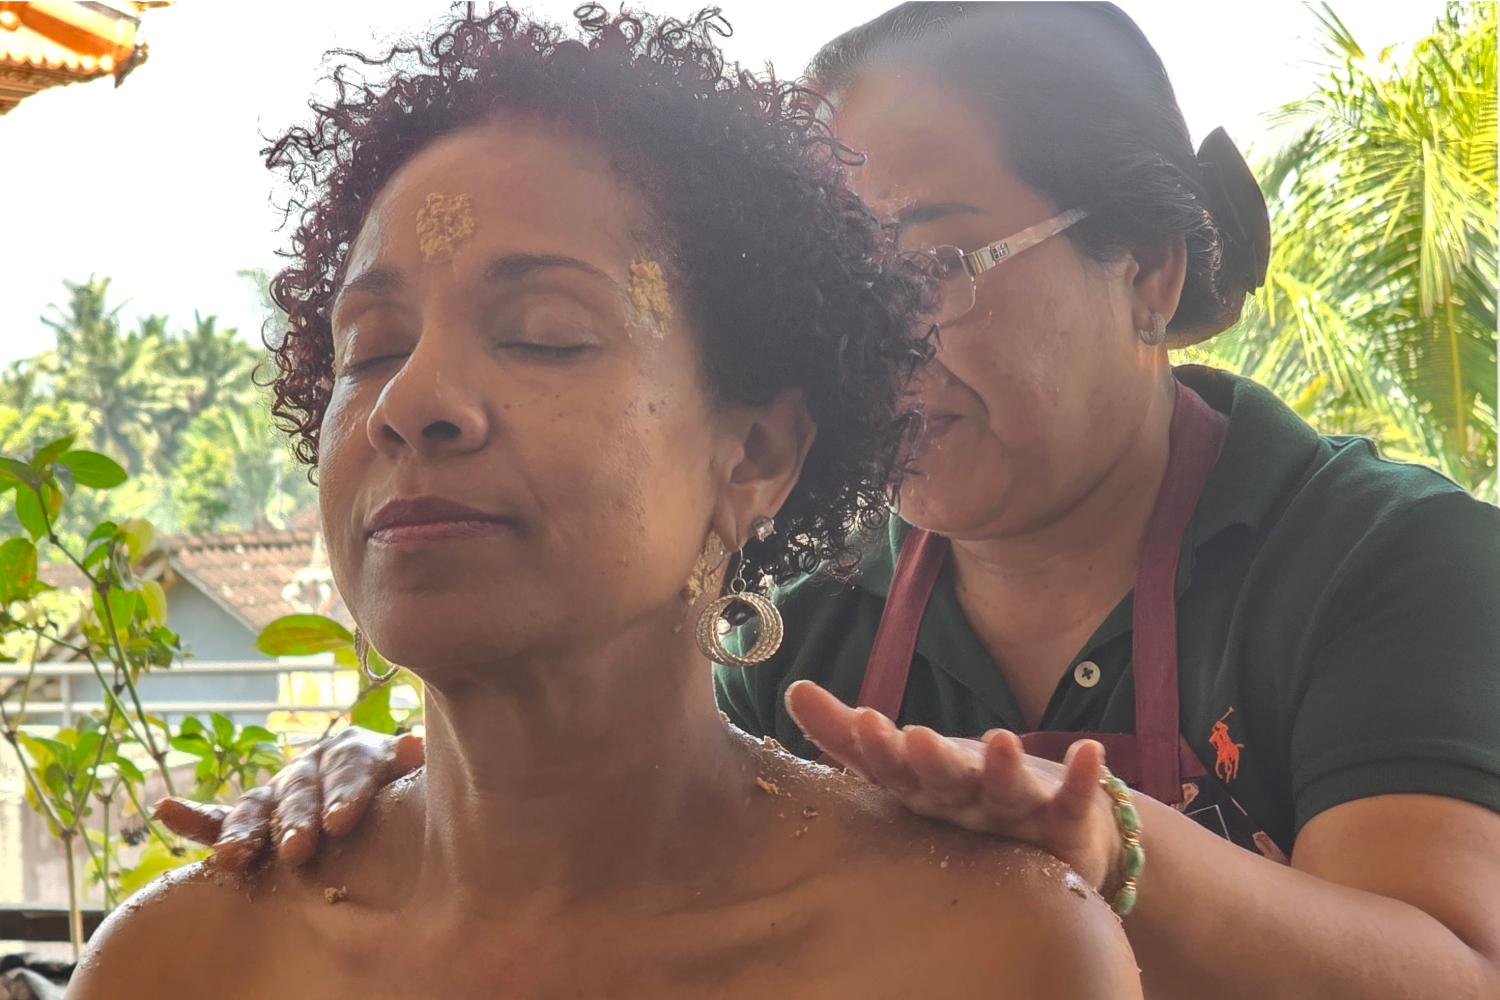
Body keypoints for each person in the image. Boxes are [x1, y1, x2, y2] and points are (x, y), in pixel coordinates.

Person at [161, 4, 1500, 998]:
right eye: (841, 293)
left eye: (928, 266)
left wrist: (1106, 840)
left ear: (1148, 272)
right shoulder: (798, 635)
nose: (863, 345)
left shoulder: (1380, 559)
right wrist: (392, 793)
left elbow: (1454, 972)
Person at [72, 8, 1142, 998]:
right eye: (373, 349)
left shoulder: (984, 953)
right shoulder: (180, 964)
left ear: (756, 452)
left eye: (544, 331)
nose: (410, 402)